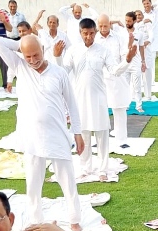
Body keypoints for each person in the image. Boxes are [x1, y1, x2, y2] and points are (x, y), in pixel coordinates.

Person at [0, 35, 86, 231]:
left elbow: (72, 104)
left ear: (43, 49)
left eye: (36, 54)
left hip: (57, 134)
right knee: (33, 182)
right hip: (31, 137)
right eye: (27, 56)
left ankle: (74, 219)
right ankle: (36, 219)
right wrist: (22, 45)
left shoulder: (58, 73)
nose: (32, 60)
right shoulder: (20, 67)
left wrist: (77, 133)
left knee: (67, 180)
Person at [55, 18, 130, 181]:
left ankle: (103, 168)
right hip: (80, 98)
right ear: (80, 33)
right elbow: (62, 72)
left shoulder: (103, 51)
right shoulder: (73, 51)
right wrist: (57, 57)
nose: (88, 37)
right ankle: (85, 167)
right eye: (85, 33)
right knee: (84, 134)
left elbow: (114, 71)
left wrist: (128, 60)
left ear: (95, 32)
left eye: (91, 33)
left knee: (102, 134)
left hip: (99, 98)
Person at [96, 15, 138, 148]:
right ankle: (99, 140)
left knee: (119, 108)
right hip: (99, 78)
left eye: (105, 26)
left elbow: (125, 55)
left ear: (110, 24)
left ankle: (121, 139)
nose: (103, 29)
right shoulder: (95, 38)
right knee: (98, 109)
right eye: (100, 26)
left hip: (115, 76)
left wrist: (130, 48)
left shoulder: (118, 38)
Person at [122, 11, 147, 115]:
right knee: (124, 85)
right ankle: (125, 105)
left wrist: (143, 61)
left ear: (134, 21)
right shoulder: (121, 32)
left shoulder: (139, 33)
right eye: (126, 20)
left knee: (137, 85)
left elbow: (141, 47)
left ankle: (139, 106)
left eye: (129, 21)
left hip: (135, 62)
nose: (127, 23)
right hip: (124, 62)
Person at [141, 0, 158, 102]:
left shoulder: (156, 11)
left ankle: (151, 81)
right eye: (144, 4)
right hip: (145, 42)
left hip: (153, 40)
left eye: (148, 3)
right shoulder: (142, 14)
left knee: (151, 62)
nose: (146, 5)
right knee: (144, 63)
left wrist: (153, 5)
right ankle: (146, 84)